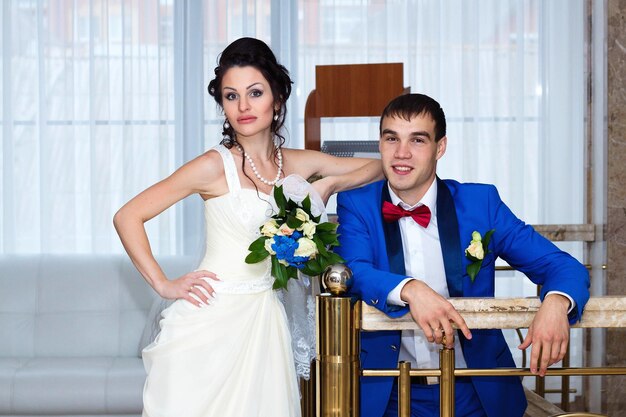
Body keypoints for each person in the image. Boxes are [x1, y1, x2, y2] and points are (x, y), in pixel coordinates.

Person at [113, 37, 382, 417]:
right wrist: (163, 284)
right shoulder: (211, 166)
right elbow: (128, 216)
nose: (243, 106)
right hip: (209, 321)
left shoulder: (297, 163)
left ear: (277, 98)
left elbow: (377, 165)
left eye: (254, 93)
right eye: (230, 95)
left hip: (265, 322)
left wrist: (328, 183)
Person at [335, 93, 590, 417]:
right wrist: (411, 289)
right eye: (391, 138)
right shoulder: (356, 204)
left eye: (418, 140)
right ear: (380, 144)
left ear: (440, 147)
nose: (401, 153)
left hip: (477, 390)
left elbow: (561, 265)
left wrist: (556, 302)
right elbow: (354, 270)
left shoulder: (480, 203)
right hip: (389, 392)